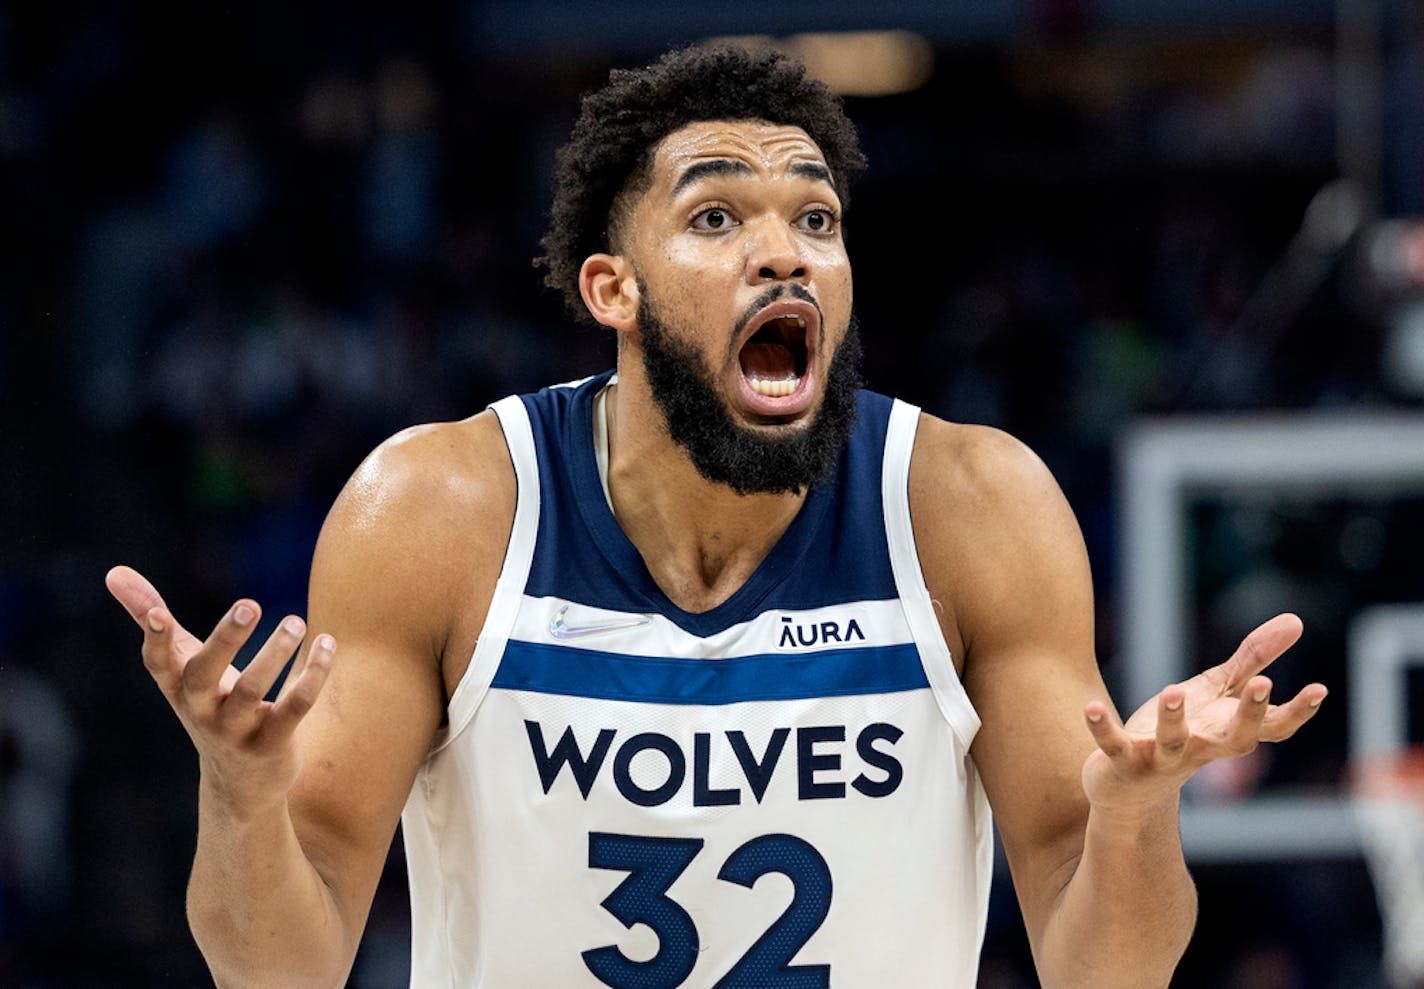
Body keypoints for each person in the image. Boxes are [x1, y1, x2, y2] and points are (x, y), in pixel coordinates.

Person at [106, 45, 1329, 988]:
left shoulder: (969, 507)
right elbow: (280, 964)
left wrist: (1129, 819)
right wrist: (243, 798)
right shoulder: (440, 510)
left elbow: (1100, 965)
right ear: (611, 287)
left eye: (815, 218)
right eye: (714, 216)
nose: (783, 252)